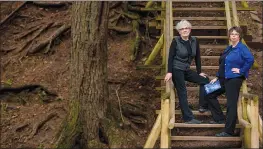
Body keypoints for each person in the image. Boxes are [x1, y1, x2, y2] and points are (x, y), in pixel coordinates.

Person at [205, 26, 254, 137]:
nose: (233, 36)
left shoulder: (242, 48)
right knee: (209, 93)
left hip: (234, 79)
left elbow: (250, 59)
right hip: (224, 78)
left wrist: (241, 71)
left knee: (231, 104)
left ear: (239, 36)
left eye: (236, 34)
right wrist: (218, 76)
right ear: (229, 36)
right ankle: (219, 118)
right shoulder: (229, 48)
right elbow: (223, 63)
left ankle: (228, 131)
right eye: (232, 34)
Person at [164, 19, 210, 124]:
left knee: (205, 80)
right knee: (182, 91)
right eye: (182, 29)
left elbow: (198, 57)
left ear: (190, 29)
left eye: (186, 28)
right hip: (176, 69)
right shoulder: (175, 41)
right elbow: (170, 57)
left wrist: (199, 72)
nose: (185, 30)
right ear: (179, 31)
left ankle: (203, 105)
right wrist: (169, 72)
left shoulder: (194, 40)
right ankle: (188, 118)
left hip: (186, 69)